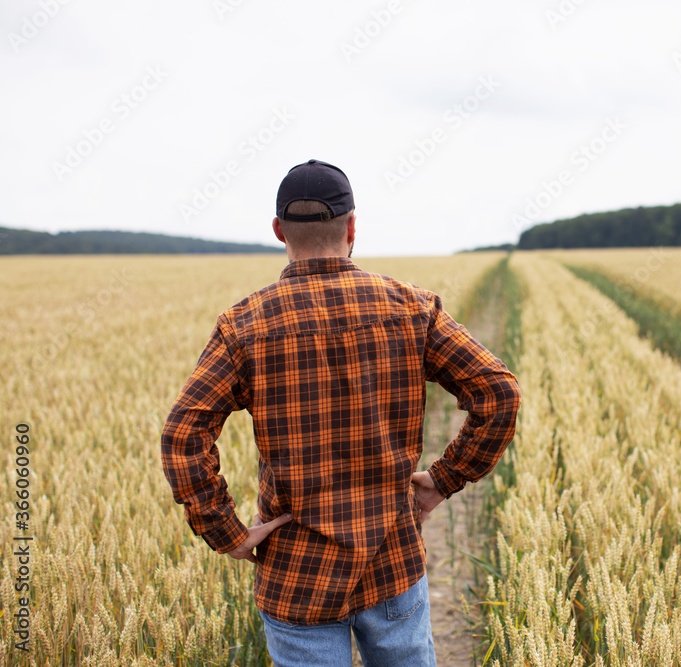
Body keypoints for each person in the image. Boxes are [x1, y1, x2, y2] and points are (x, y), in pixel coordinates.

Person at [161, 159, 521, 666]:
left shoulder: (244, 325)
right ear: (353, 227)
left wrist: (227, 533)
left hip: (296, 577)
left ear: (278, 231)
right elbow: (498, 392)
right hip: (392, 563)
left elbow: (183, 435)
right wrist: (443, 479)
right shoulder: (412, 308)